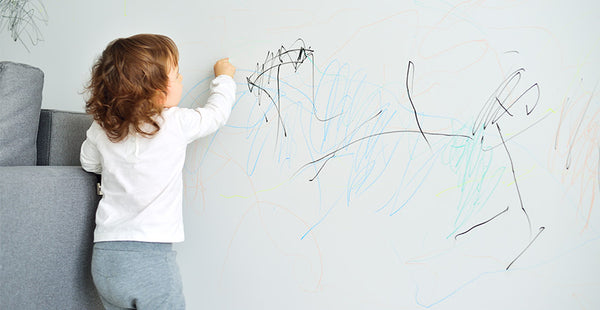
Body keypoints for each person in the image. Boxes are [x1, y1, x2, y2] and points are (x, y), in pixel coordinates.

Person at [80, 33, 236, 309]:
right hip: (149, 259)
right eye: (176, 75)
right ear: (155, 89)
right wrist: (224, 79)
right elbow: (215, 115)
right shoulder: (174, 122)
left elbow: (89, 163)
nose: (182, 80)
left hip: (105, 256)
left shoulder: (104, 128)